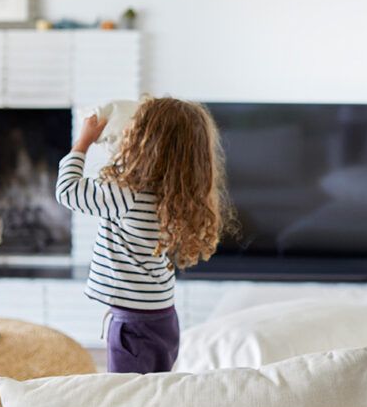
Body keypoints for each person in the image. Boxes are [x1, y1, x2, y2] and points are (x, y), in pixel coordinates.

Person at [56, 97, 235, 373]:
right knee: (155, 387)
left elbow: (67, 191)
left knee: (129, 395)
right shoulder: (175, 194)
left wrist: (83, 143)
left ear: (143, 142)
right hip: (162, 314)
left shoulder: (126, 193)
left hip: (133, 326)